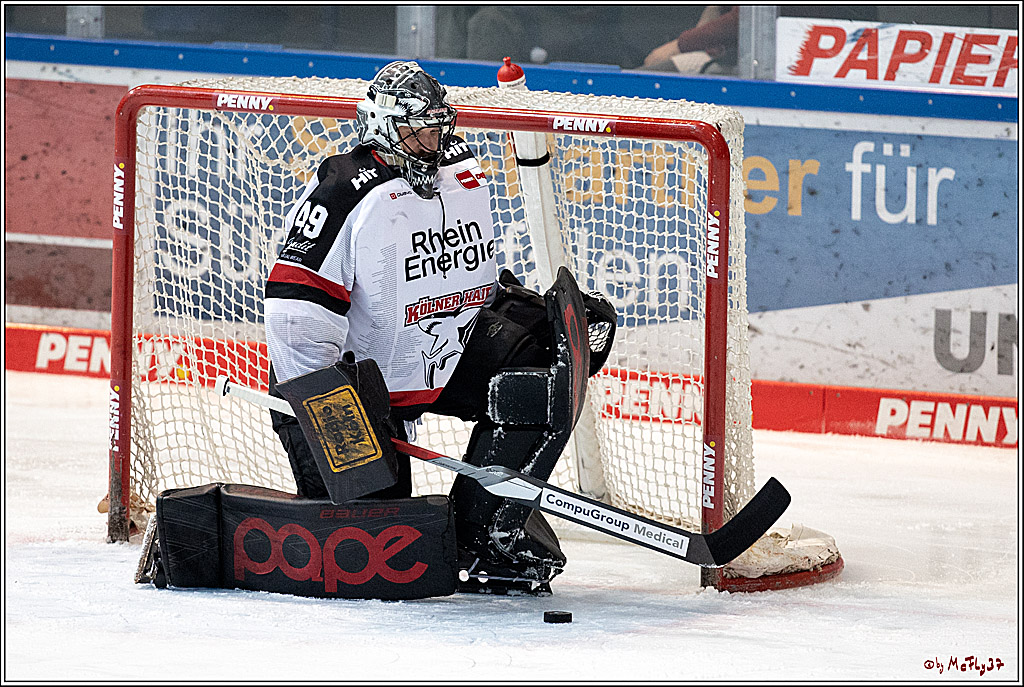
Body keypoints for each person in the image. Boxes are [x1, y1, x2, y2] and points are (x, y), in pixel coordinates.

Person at [262, 61, 614, 596]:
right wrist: (330, 413)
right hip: (350, 386)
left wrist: (516, 308)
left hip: (439, 354)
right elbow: (296, 316)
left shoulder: (460, 169)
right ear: (380, 126)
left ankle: (485, 537)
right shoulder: (344, 193)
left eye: (436, 126)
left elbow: (462, 265)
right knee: (379, 556)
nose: (430, 139)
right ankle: (374, 500)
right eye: (415, 129)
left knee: (544, 368)